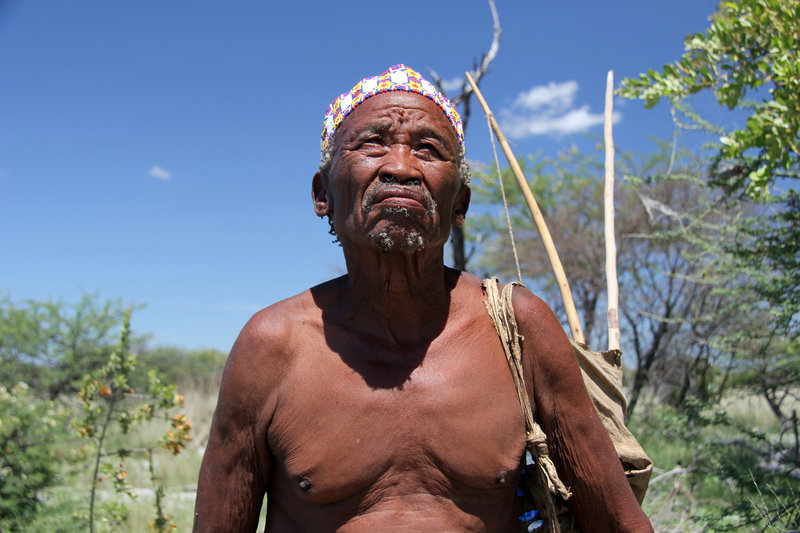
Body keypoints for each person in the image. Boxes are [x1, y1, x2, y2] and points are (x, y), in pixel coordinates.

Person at [193, 64, 652, 532]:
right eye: (372, 143)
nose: (400, 167)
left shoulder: (517, 330)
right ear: (322, 194)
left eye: (428, 150)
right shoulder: (271, 347)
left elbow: (617, 522)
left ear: (460, 206)